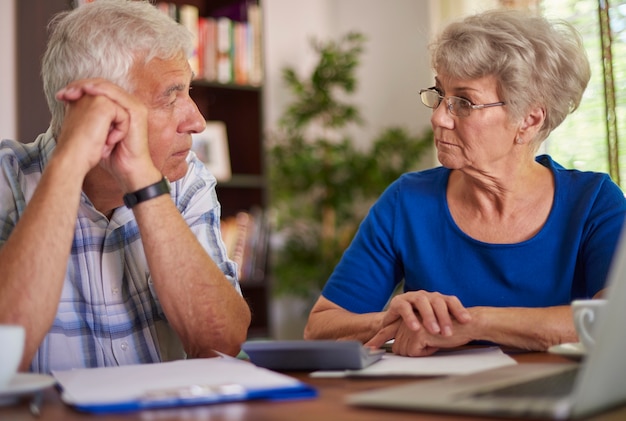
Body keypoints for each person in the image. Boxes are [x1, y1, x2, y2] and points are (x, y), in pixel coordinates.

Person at [304, 8, 626, 356]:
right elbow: (319, 328)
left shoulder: (594, 202)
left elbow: (615, 322)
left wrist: (473, 322)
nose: (439, 117)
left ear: (529, 120)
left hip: (558, 403)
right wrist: (396, 320)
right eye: (440, 94)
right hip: (436, 403)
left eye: (464, 102)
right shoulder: (406, 201)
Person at [0, 0, 251, 373]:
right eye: (171, 96)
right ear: (97, 108)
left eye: (189, 91)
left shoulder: (184, 181)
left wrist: (145, 183)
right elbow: (6, 351)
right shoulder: (8, 179)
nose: (197, 121)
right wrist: (71, 161)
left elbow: (222, 343)